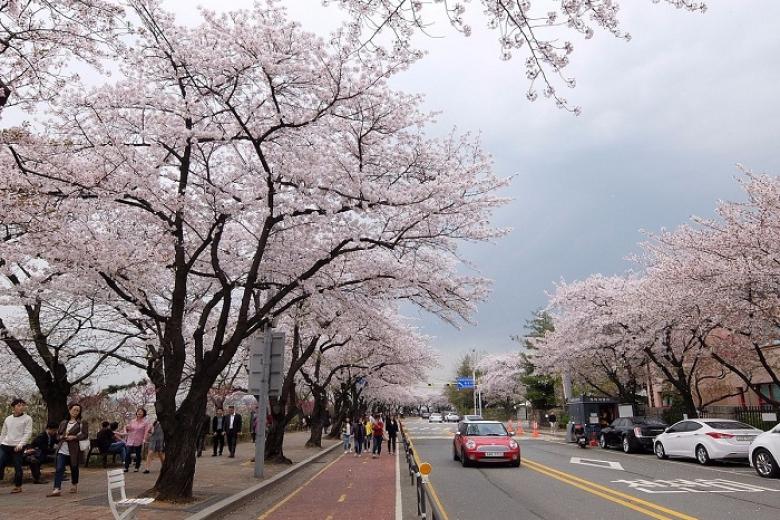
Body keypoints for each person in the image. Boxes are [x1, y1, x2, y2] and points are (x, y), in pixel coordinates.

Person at [48, 402, 89, 497]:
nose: (75, 412)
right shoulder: (63, 422)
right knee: (59, 468)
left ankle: (74, 484)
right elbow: (57, 435)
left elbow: (85, 435)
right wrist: (62, 436)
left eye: (78, 410)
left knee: (74, 468)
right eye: (74, 409)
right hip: (62, 448)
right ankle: (56, 488)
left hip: (74, 450)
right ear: (70, 410)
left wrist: (74, 437)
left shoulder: (82, 423)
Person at [0, 398, 33, 493]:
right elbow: (3, 433)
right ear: (13, 407)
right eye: (19, 405)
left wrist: (21, 444)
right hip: (5, 445)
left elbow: (28, 433)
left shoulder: (27, 418)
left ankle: (18, 486)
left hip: (17, 447)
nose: (21, 407)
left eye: (23, 405)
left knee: (17, 466)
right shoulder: (8, 418)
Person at [123, 408, 151, 472]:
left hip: (139, 440)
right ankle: (126, 467)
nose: (139, 413)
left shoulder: (145, 423)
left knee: (138, 454)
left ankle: (137, 467)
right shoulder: (132, 421)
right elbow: (128, 428)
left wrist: (144, 439)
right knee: (128, 453)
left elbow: (146, 432)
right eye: (138, 411)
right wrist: (126, 429)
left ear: (144, 413)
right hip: (130, 439)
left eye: (141, 412)